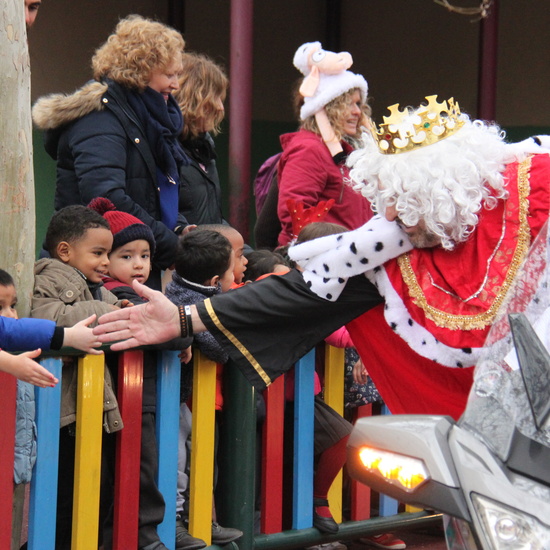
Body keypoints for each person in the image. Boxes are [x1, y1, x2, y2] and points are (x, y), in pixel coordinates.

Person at [93, 96, 550, 425]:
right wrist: (184, 318)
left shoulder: (538, 188)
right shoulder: (396, 240)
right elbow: (304, 291)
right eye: (384, 199)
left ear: (448, 193)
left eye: (404, 200)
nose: (388, 215)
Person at [32, 15, 187, 289]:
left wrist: (179, 228)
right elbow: (106, 196)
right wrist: (170, 244)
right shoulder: (101, 119)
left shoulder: (142, 120)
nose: (176, 85)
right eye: (169, 75)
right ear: (140, 71)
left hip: (126, 266)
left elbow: (155, 193)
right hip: (96, 277)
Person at [88, 197, 189, 550]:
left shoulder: (139, 293)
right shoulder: (117, 294)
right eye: (126, 256)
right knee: (136, 470)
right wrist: (181, 332)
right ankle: (141, 536)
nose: (139, 265)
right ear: (105, 260)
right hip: (128, 396)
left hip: (143, 396)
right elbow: (168, 327)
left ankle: (140, 534)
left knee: (150, 468)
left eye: (145, 256)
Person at [29, 204, 131, 550]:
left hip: (87, 412)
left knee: (96, 493)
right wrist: (111, 311)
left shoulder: (96, 289)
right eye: (98, 253)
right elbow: (46, 317)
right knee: (62, 497)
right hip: (63, 413)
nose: (106, 262)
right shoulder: (47, 278)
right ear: (65, 251)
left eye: (108, 253)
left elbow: (114, 315)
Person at [165, 229, 243, 549]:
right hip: (176, 397)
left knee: (196, 458)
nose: (241, 266)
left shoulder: (182, 288)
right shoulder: (196, 301)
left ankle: (200, 520)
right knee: (177, 461)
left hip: (183, 396)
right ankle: (176, 523)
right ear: (214, 280)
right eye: (233, 265)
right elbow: (219, 349)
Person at [274, 41, 373, 246]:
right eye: (350, 104)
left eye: (359, 104)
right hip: (324, 265)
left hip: (348, 260)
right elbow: (295, 215)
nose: (358, 112)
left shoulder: (344, 151)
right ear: (327, 106)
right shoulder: (309, 149)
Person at [174, 53, 229, 228]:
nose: (220, 107)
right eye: (215, 97)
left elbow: (213, 220)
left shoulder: (204, 149)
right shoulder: (163, 146)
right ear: (193, 97)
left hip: (206, 251)